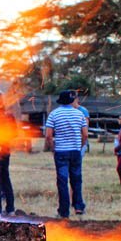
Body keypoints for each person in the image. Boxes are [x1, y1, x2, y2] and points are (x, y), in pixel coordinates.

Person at [44, 90, 88, 218]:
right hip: (75, 151)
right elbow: (85, 134)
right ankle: (78, 207)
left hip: (61, 151)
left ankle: (64, 211)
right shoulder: (79, 114)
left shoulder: (54, 114)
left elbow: (48, 135)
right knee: (76, 180)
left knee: (62, 181)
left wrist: (53, 149)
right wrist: (80, 146)